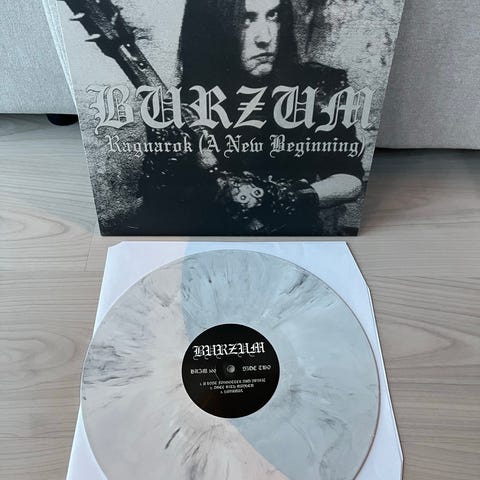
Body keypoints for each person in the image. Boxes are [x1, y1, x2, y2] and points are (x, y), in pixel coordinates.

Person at [133, 0, 364, 235]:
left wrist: (281, 197)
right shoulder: (181, 105)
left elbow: (351, 180)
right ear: (213, 26)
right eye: (247, 19)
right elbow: (159, 201)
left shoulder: (316, 87)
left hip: (293, 240)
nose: (265, 37)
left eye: (273, 15)